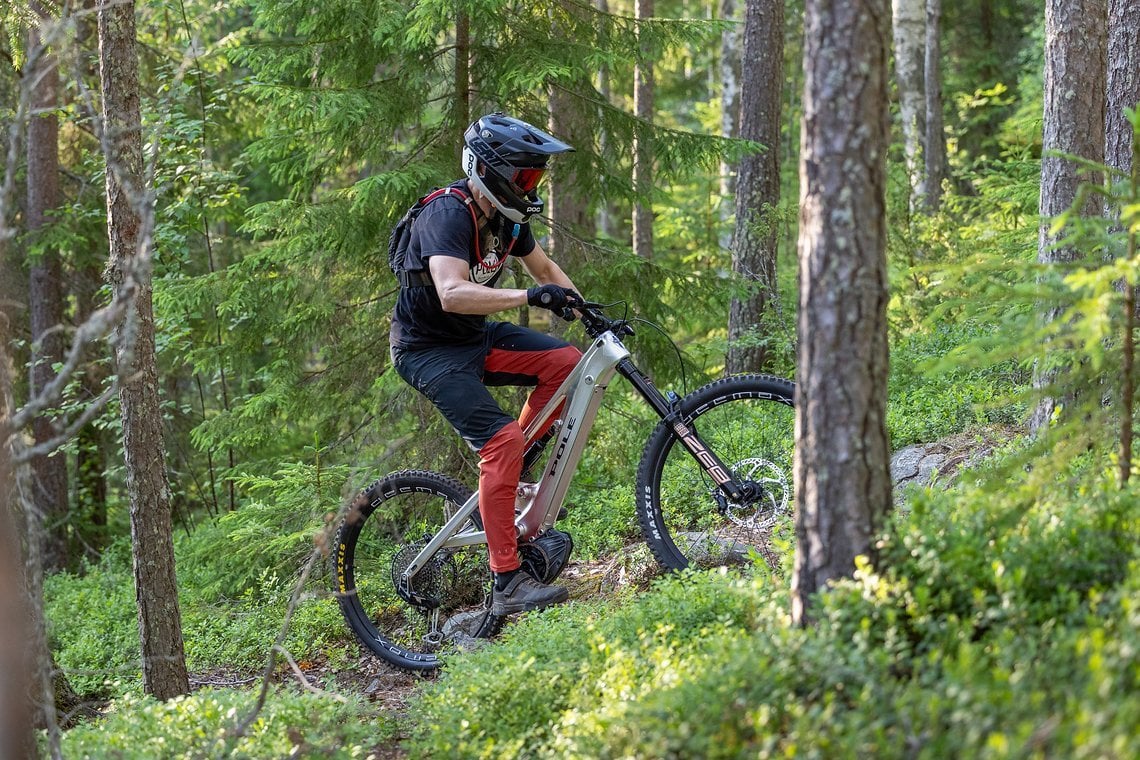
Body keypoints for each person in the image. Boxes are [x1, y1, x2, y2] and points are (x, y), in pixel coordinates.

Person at [389, 112, 584, 616]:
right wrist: (531, 297)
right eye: (523, 176)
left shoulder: (506, 220)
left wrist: (586, 310)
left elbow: (544, 269)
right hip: (427, 351)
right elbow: (452, 293)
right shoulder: (447, 213)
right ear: (491, 171)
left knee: (565, 363)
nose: (530, 186)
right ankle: (507, 581)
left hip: (472, 339)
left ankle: (513, 473)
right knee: (502, 441)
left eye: (534, 178)